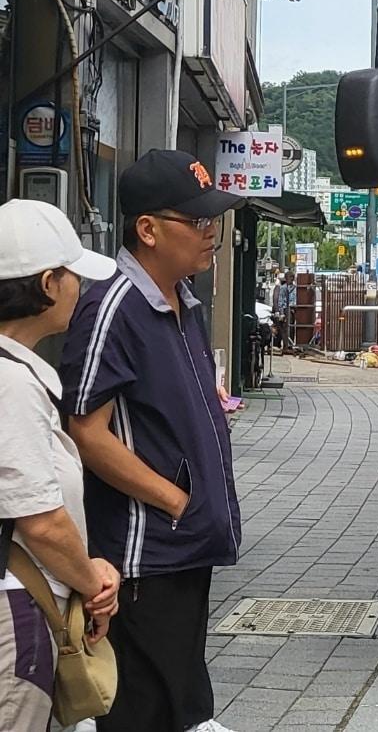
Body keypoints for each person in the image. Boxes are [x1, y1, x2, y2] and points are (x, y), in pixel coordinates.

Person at [60, 151, 244, 732]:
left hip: (187, 544)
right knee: (142, 706)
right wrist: (173, 499)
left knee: (179, 702)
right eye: (198, 222)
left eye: (213, 219)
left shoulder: (183, 302)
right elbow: (84, 430)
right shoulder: (113, 307)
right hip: (145, 553)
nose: (211, 233)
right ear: (148, 229)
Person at [0, 200, 121, 731]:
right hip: (13, 610)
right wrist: (91, 581)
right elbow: (41, 521)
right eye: (72, 276)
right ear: (49, 284)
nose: (79, 288)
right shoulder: (11, 384)